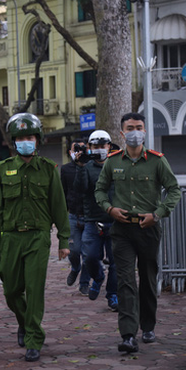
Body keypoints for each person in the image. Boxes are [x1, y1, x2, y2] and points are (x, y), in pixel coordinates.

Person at [95, 112, 181, 353]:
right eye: (130, 128)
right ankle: (128, 334)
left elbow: (174, 190)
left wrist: (158, 213)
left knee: (148, 278)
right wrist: (109, 209)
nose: (135, 132)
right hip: (122, 230)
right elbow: (100, 191)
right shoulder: (113, 161)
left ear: (145, 131)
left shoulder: (157, 161)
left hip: (148, 229)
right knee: (125, 281)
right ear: (122, 133)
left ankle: (149, 325)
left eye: (139, 127)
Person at [0, 113, 71, 363]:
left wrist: (64, 241)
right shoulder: (3, 170)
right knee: (11, 290)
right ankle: (24, 322)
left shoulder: (48, 169)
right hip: (11, 239)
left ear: (38, 140)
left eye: (30, 137)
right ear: (14, 141)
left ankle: (34, 339)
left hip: (38, 238)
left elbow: (59, 206)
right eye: (21, 137)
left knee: (34, 290)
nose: (26, 141)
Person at [74, 130, 118, 311]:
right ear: (89, 148)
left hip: (116, 220)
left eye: (103, 146)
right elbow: (80, 188)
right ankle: (98, 278)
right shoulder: (87, 165)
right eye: (96, 147)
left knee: (116, 261)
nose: (100, 150)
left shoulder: (117, 164)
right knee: (91, 257)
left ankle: (113, 294)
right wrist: (81, 166)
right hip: (92, 221)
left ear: (109, 147)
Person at [60, 138, 91, 295]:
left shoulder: (91, 166)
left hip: (90, 216)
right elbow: (62, 193)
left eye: (83, 148)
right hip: (72, 215)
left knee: (88, 252)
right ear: (70, 152)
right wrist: (60, 218)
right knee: (74, 250)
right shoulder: (65, 169)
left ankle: (84, 282)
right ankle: (75, 268)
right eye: (76, 149)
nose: (79, 151)